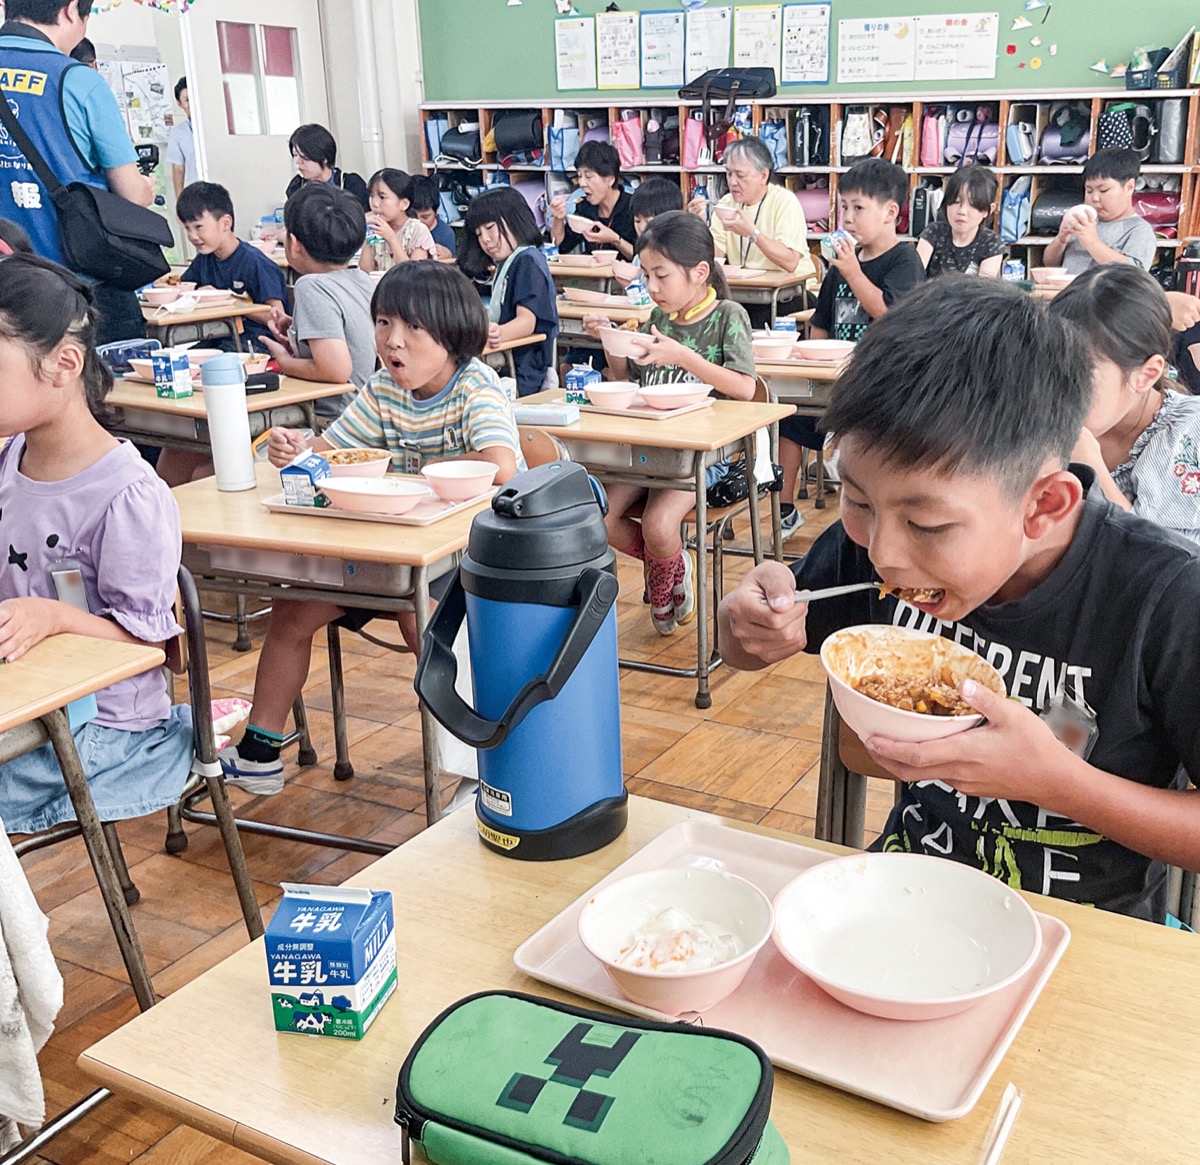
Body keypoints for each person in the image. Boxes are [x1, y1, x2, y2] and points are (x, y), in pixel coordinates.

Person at [718, 277, 1200, 922]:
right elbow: (753, 648)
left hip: (1085, 930)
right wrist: (742, 624)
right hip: (907, 897)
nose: (884, 551)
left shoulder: (1163, 593)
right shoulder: (872, 541)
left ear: (1042, 504)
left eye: (929, 526)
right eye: (857, 499)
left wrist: (1060, 784)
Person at [219, 263, 527, 791]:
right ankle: (260, 751)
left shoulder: (476, 386)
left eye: (412, 328)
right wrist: (295, 449)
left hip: (463, 561)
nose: (392, 340)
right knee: (293, 607)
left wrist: (420, 479)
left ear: (452, 333)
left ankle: (477, 766)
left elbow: (502, 467)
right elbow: (333, 448)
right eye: (383, 323)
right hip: (379, 555)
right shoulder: (386, 388)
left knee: (423, 624)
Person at [0, 254, 192, 832]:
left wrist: (54, 618)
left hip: (109, 728)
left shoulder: (127, 494)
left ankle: (22, 927)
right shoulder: (11, 460)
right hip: (29, 698)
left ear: (64, 365)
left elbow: (150, 647)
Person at [584, 211, 756, 636]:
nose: (651, 287)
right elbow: (637, 385)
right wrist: (612, 344)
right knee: (597, 517)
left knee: (662, 526)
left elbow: (747, 390)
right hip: (650, 450)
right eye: (646, 275)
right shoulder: (657, 320)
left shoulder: (728, 316)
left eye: (661, 275)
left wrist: (683, 355)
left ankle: (665, 572)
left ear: (699, 273)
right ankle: (674, 564)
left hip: (703, 456)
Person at [777, 158, 924, 540]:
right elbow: (821, 321)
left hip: (881, 383)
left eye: (859, 208)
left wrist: (852, 271)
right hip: (833, 374)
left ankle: (859, 518)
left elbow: (890, 312)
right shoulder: (841, 264)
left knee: (860, 443)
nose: (849, 217)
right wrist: (810, 357)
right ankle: (785, 508)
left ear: (891, 212)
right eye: (844, 208)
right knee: (790, 417)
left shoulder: (903, 260)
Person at [0, 0, 155, 345]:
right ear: (72, 10)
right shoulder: (78, 81)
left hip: (5, 286)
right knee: (100, 392)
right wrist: (147, 185)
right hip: (76, 289)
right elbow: (132, 194)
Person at [1049, 265, 1200, 548]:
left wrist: (1092, 466)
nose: (1059, 391)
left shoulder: (1189, 435)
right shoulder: (1048, 422)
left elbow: (1173, 565)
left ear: (1146, 374)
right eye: (1051, 370)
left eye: (1081, 376)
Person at [261, 183, 374, 420]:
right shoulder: (361, 279)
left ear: (293, 243)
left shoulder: (311, 285)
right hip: (366, 411)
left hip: (332, 418)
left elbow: (336, 370)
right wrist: (299, 330)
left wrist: (285, 361)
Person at [687, 136, 816, 325]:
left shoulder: (784, 202)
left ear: (764, 175)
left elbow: (790, 262)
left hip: (790, 293)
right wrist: (698, 226)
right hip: (745, 292)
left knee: (745, 319)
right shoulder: (726, 204)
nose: (732, 182)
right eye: (728, 174)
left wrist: (752, 233)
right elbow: (715, 259)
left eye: (740, 175)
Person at [458, 186, 557, 397]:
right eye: (478, 234)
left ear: (515, 220)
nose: (484, 239)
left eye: (490, 228)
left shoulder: (528, 260)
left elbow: (527, 322)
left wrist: (498, 333)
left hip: (525, 369)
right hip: (507, 361)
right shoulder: (507, 263)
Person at [174, 181, 288, 352]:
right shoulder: (204, 259)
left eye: (198, 227)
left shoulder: (255, 263)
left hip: (257, 342)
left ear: (226, 224)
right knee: (182, 358)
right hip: (219, 336)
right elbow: (185, 289)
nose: (193, 236)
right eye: (187, 229)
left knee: (211, 363)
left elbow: (278, 318)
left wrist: (228, 302)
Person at [1044, 147, 1157, 274]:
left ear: (1129, 187)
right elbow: (1050, 263)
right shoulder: (1084, 220)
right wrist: (1061, 239)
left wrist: (1092, 243)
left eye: (1103, 190)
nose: (1095, 198)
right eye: (1089, 190)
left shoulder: (1138, 229)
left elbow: (1134, 274)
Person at [547, 141, 637, 260]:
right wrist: (558, 218)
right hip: (593, 276)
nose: (582, 183)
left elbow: (643, 259)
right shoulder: (584, 208)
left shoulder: (633, 207)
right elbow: (560, 246)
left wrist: (616, 240)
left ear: (610, 179)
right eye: (579, 176)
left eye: (588, 176)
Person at [916, 165, 1005, 278]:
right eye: (956, 202)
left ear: (988, 210)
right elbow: (915, 273)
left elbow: (984, 289)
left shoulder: (991, 243)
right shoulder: (933, 232)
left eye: (972, 205)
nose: (962, 211)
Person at [358, 168, 435, 273]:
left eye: (382, 197)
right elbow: (365, 272)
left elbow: (415, 275)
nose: (375, 204)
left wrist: (391, 238)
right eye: (372, 196)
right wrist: (367, 235)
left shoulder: (418, 230)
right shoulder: (376, 229)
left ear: (404, 204)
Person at [284, 123, 369, 212]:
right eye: (295, 155)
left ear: (324, 158)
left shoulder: (351, 184)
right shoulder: (296, 186)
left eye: (304, 156)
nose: (298, 161)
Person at [408, 175, 456, 260]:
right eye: (412, 216)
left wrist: (448, 255)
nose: (418, 222)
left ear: (437, 210)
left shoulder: (445, 234)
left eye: (425, 217)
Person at [166, 76, 197, 201]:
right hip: (196, 191)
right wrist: (180, 201)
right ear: (180, 104)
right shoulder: (178, 133)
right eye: (187, 100)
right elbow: (178, 169)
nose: (192, 104)